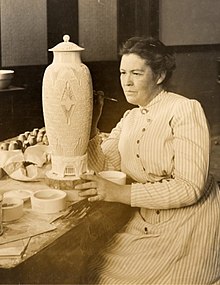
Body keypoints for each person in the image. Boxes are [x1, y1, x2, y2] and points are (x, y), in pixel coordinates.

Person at [75, 36, 220, 284]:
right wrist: (90, 128)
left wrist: (119, 193)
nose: (126, 82)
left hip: (190, 225)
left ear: (160, 75)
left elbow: (189, 188)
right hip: (148, 221)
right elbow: (103, 168)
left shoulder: (184, 109)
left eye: (136, 73)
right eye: (122, 73)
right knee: (93, 270)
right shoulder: (129, 117)